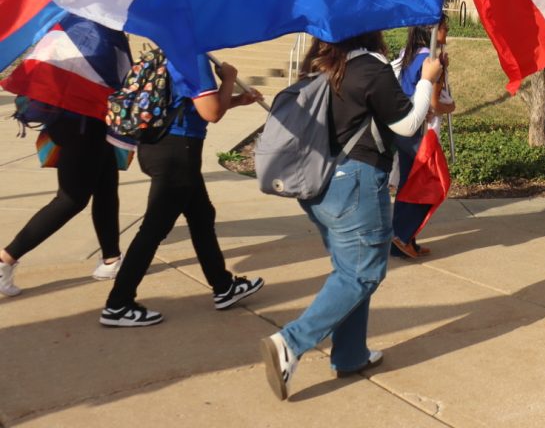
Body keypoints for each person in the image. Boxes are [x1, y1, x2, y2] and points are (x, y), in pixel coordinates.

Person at [261, 32, 439, 401]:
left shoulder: (320, 67)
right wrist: (426, 80)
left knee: (350, 271)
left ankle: (351, 354)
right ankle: (290, 343)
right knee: (363, 272)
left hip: (318, 185)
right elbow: (407, 124)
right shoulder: (368, 68)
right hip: (356, 183)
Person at [100, 55, 265, 326]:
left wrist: (235, 100)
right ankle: (118, 304)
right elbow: (211, 113)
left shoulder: (169, 51)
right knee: (153, 230)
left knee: (202, 217)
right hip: (178, 154)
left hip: (159, 146)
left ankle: (223, 286)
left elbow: (190, 106)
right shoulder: (193, 57)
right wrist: (230, 80)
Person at [0, 21, 131, 297]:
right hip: (82, 119)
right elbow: (105, 74)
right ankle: (6, 259)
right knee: (71, 199)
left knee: (106, 186)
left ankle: (111, 259)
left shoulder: (76, 20)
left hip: (83, 117)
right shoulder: (93, 27)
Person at [390, 16, 456, 259]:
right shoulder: (430, 61)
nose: (448, 29)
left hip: (405, 130)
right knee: (431, 182)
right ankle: (403, 236)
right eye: (444, 25)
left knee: (409, 183)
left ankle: (403, 239)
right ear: (432, 29)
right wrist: (452, 107)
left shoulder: (410, 55)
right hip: (419, 132)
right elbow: (436, 104)